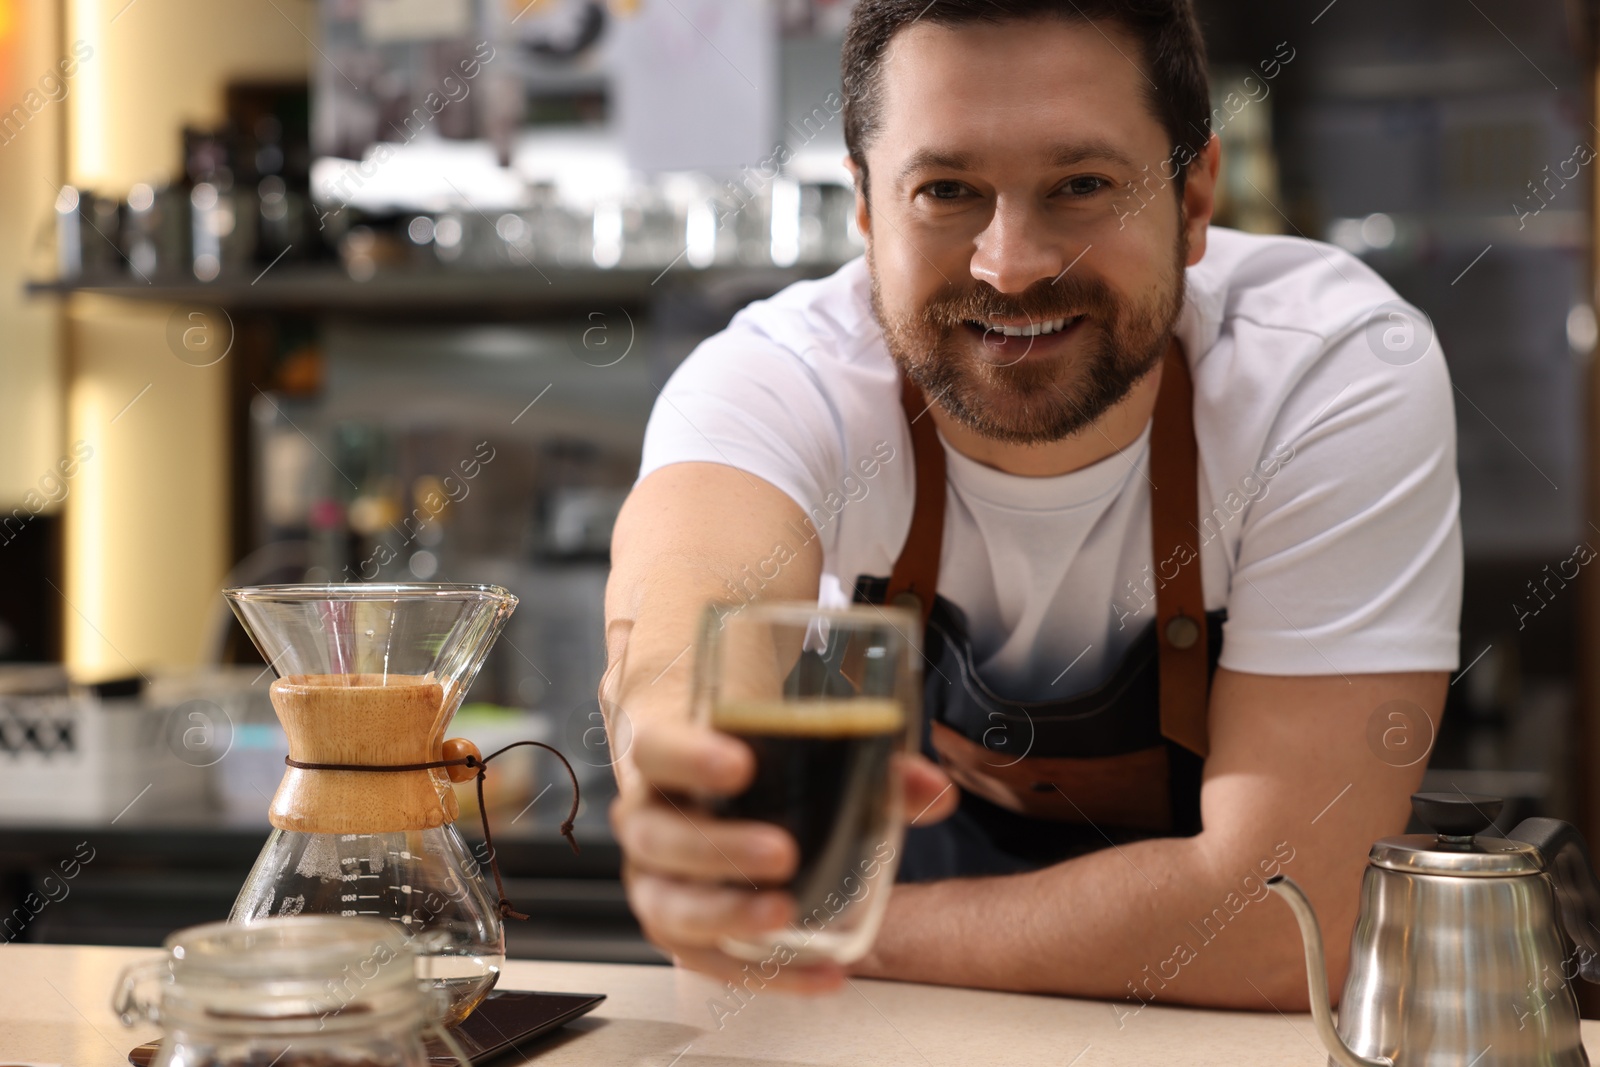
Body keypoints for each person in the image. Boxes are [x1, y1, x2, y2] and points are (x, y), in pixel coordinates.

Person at [601, 0, 1460, 1011]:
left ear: (1192, 201)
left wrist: (825, 924)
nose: (1010, 264)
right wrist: (684, 770)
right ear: (869, 215)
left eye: (1082, 185)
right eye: (947, 190)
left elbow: (1284, 923)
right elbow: (689, 615)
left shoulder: (1331, 368)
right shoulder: (776, 378)